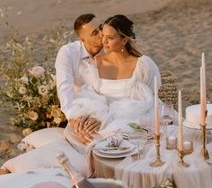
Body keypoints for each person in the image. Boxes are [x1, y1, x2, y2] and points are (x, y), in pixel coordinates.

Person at [66, 14, 161, 142]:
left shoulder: (143, 65)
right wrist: (96, 117)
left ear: (124, 40)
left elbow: (150, 98)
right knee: (81, 134)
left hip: (133, 119)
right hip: (101, 119)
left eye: (110, 38)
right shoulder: (95, 64)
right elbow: (90, 96)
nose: (103, 41)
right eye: (103, 35)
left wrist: (111, 120)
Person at [55, 13, 103, 143]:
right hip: (81, 109)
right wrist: (73, 118)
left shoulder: (111, 48)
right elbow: (64, 87)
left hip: (107, 107)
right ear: (82, 39)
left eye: (101, 27)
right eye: (94, 33)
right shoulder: (68, 53)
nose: (101, 34)